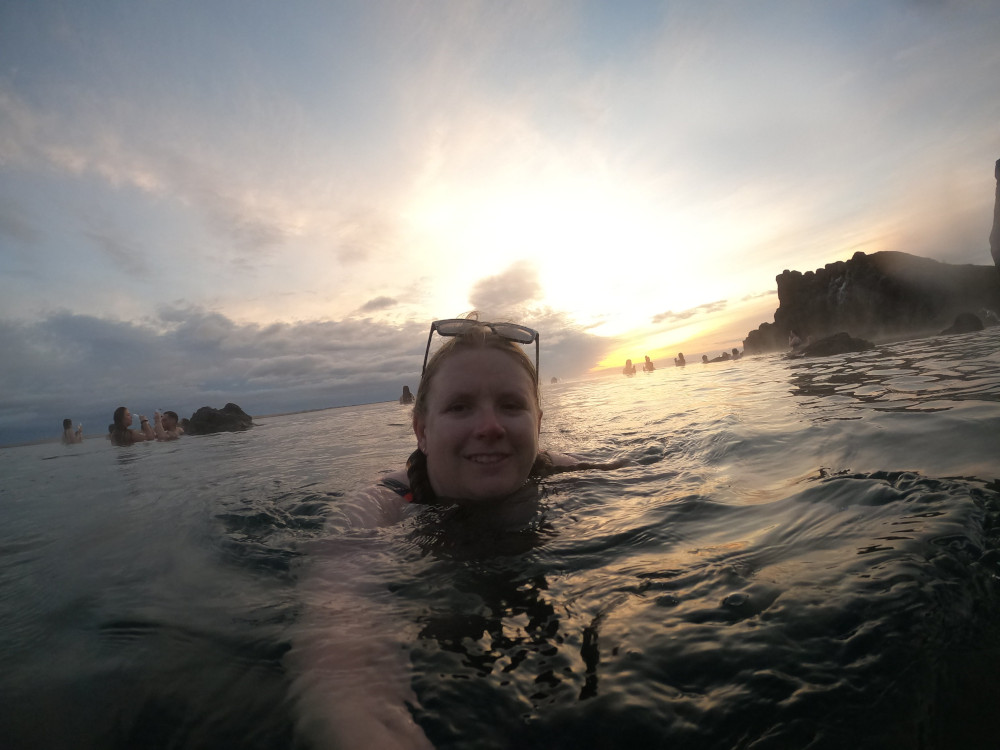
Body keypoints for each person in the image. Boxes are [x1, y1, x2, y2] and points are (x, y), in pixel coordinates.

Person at [287, 316, 624, 749]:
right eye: (460, 407)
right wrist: (365, 725)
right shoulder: (378, 507)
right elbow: (338, 624)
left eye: (510, 405)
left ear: (537, 423)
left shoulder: (561, 469)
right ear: (422, 432)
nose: (490, 427)